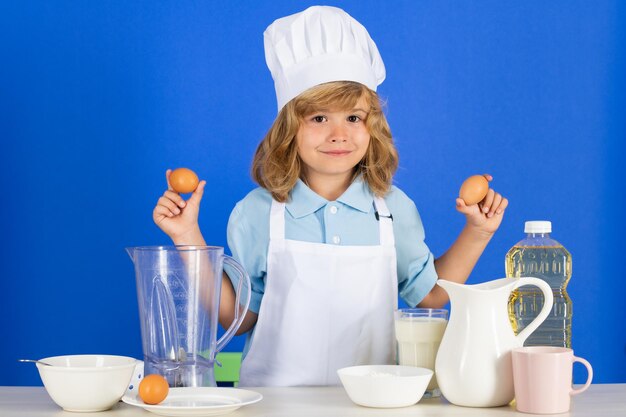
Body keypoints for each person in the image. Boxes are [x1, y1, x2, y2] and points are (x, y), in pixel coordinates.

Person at [152, 6, 508, 387]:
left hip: (372, 405)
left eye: (353, 118)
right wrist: (186, 235)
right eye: (320, 118)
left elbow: (432, 298)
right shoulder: (257, 212)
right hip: (274, 407)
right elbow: (237, 318)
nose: (339, 133)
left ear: (373, 128)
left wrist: (478, 232)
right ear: (288, 130)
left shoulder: (392, 211)